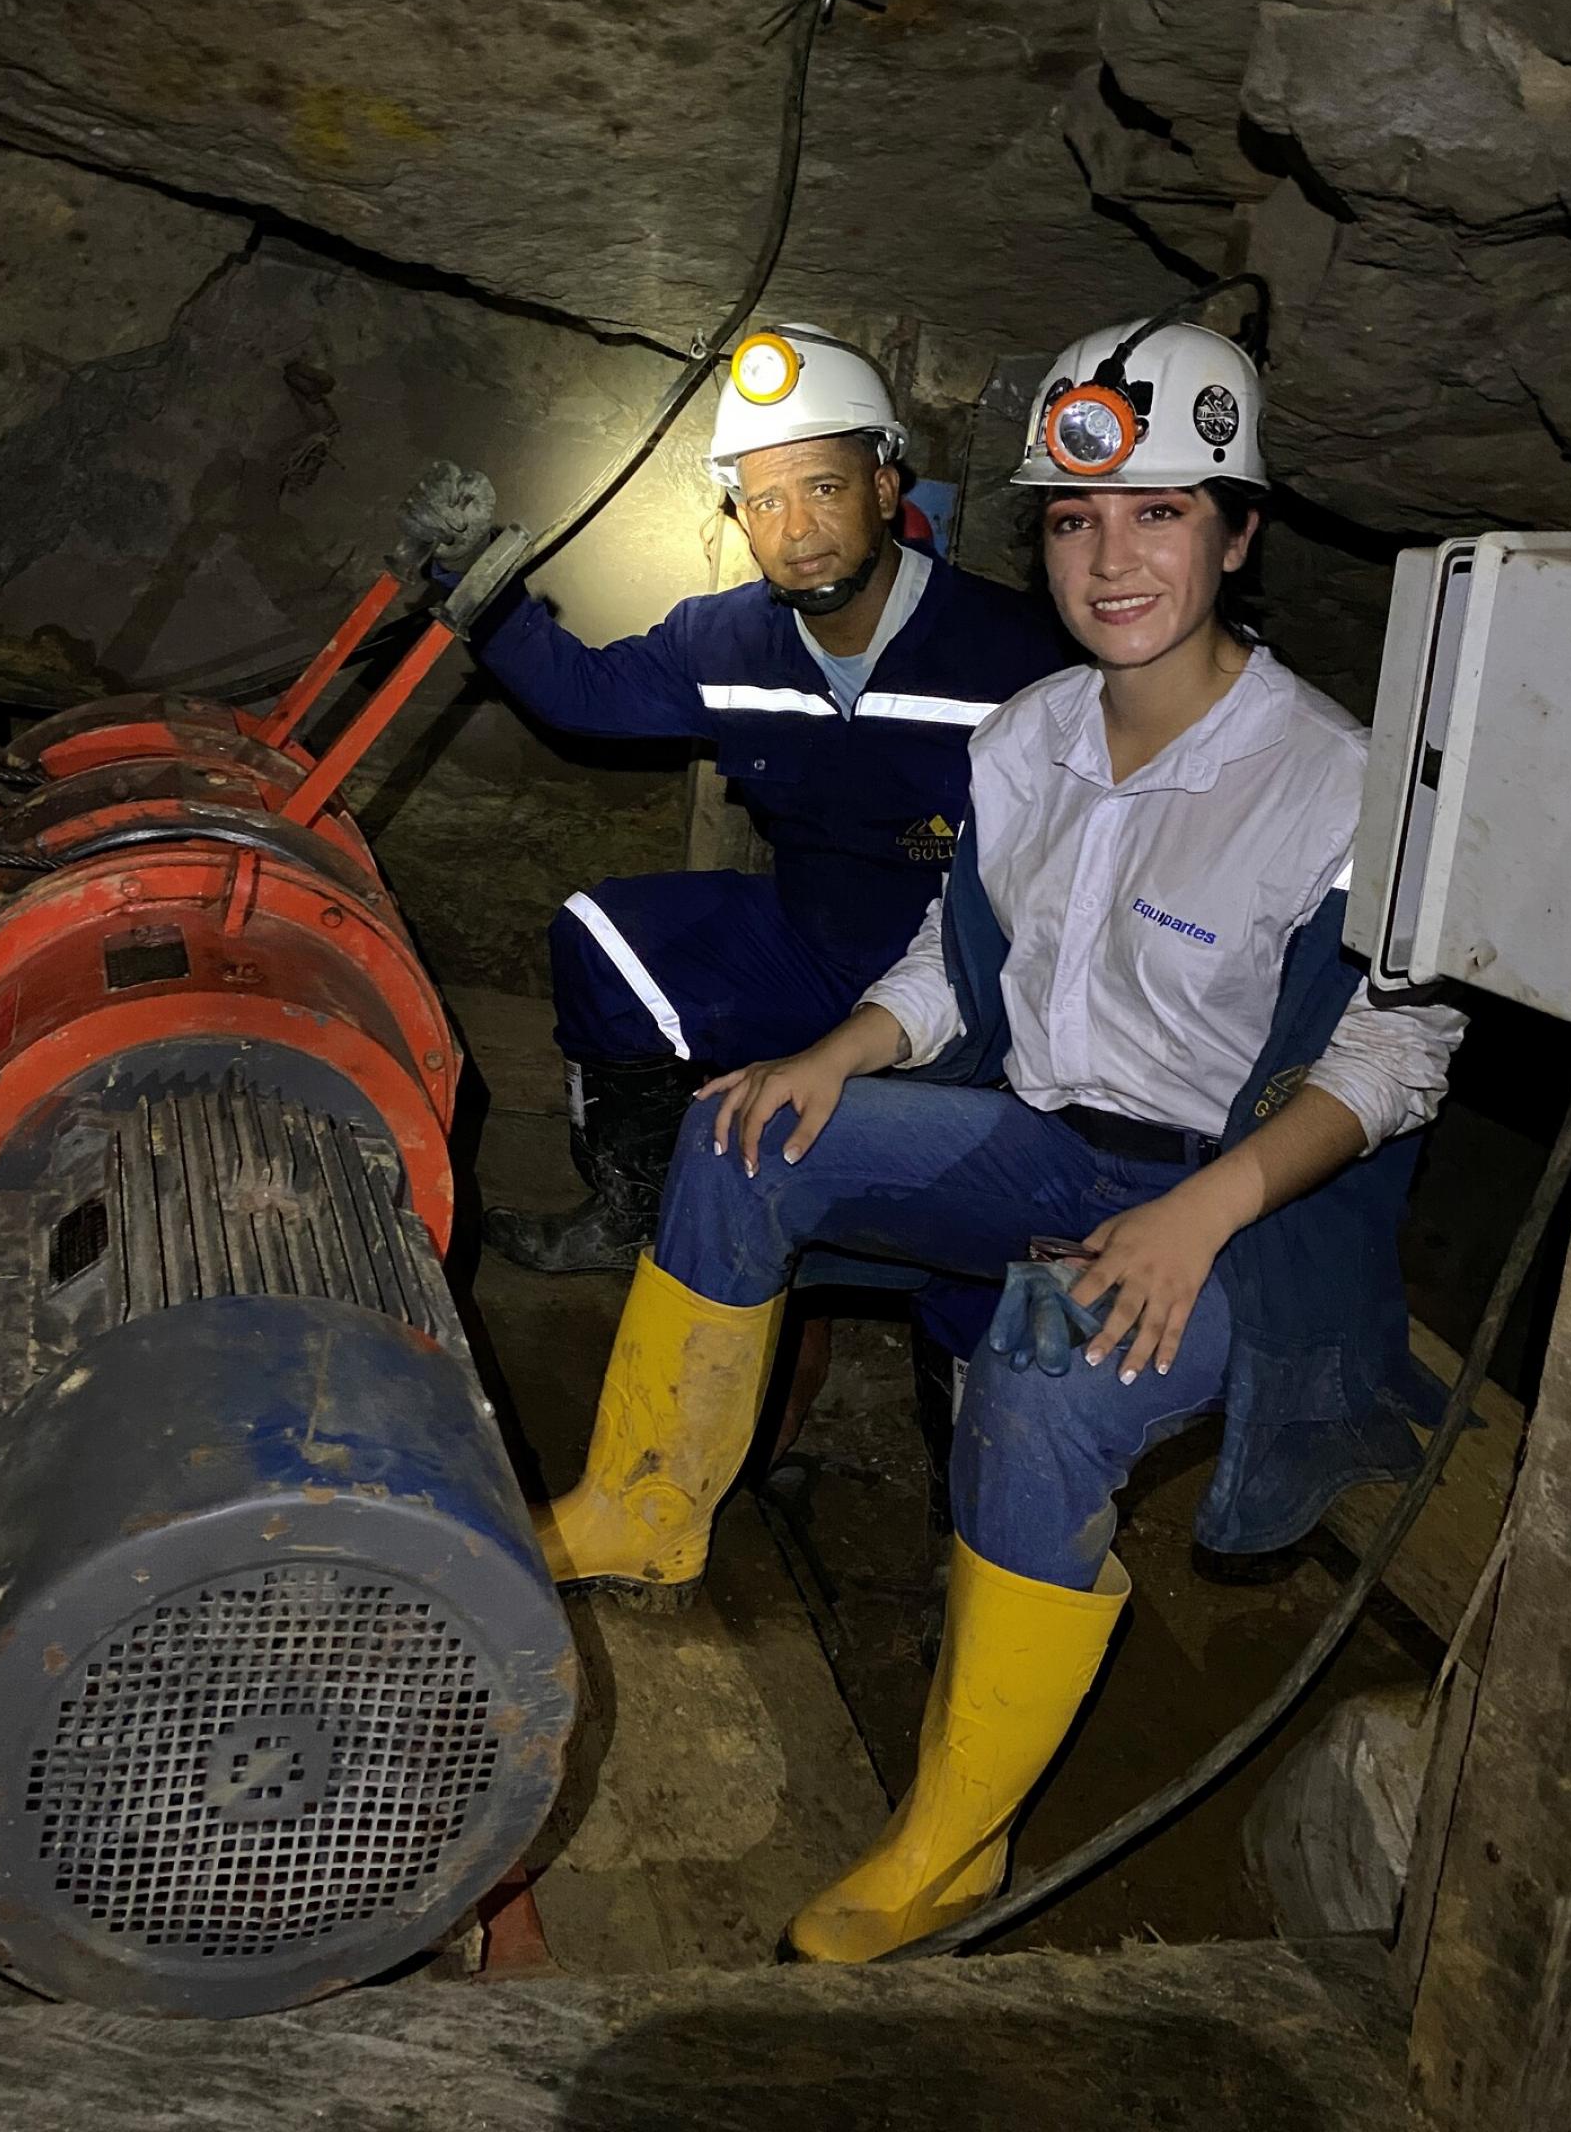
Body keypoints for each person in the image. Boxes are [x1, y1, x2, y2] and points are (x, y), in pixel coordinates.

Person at [526, 296, 1468, 1962]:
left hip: (1233, 1199)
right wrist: (841, 1052)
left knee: (1036, 1392)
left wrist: (1205, 1214)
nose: (1114, 557)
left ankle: (952, 1849)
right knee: (742, 1134)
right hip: (1043, 1133)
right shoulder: (1030, 734)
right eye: (1081, 519)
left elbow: (1401, 1045)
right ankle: (646, 1499)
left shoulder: (1335, 780)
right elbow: (960, 960)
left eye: (1160, 512)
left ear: (1239, 534)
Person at [473, 323, 1065, 1273]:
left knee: (977, 1223)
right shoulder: (726, 640)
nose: (796, 529)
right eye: (766, 500)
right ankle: (633, 1208)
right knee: (600, 934)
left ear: (883, 487)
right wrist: (478, 591)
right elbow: (582, 693)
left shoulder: (1016, 654)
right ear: (741, 519)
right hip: (804, 946)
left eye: (824, 488)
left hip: (963, 985)